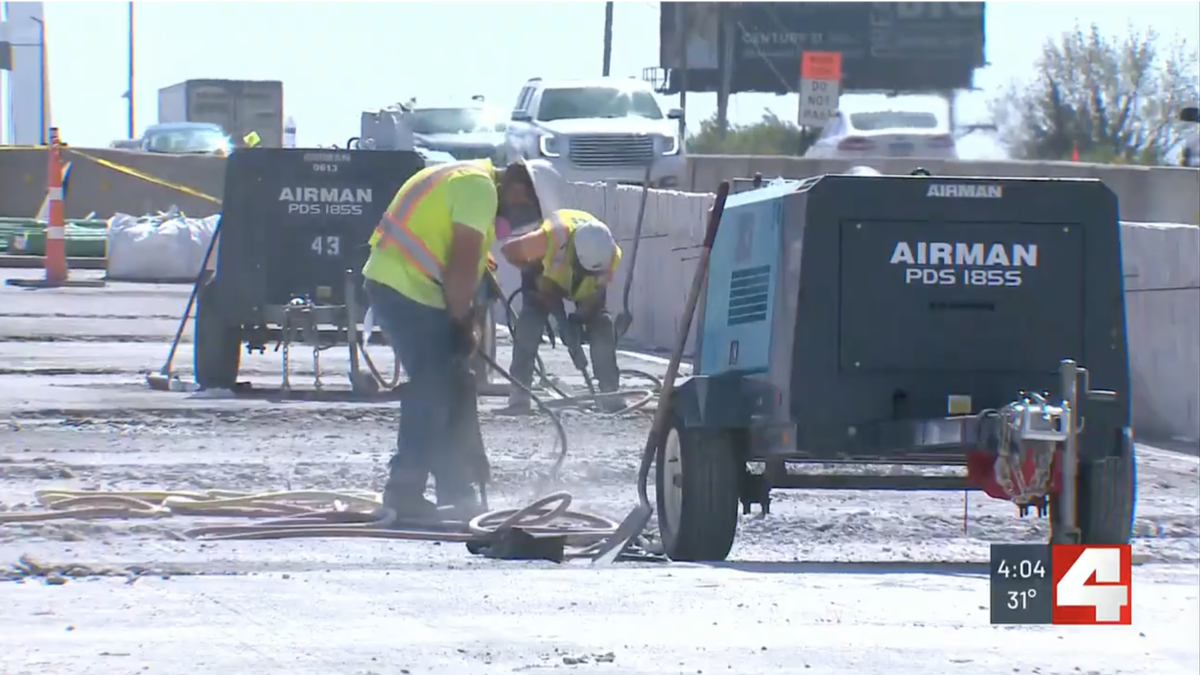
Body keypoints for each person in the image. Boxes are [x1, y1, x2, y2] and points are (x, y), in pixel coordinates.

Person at [362, 157, 546, 519]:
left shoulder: (466, 179)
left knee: (457, 383)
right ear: (518, 186)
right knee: (433, 385)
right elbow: (461, 264)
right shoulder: (477, 188)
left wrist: (465, 318)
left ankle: (457, 488)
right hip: (405, 287)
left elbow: (463, 261)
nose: (520, 218)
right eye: (526, 207)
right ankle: (404, 490)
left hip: (408, 285)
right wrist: (462, 320)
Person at [498, 208, 624, 415]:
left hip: (579, 288)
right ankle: (520, 393)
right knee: (530, 324)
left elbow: (596, 294)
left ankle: (610, 392)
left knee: (602, 325)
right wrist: (536, 276)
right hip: (545, 275)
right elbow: (508, 251)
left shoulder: (611, 255)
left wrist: (575, 323)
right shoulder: (550, 238)